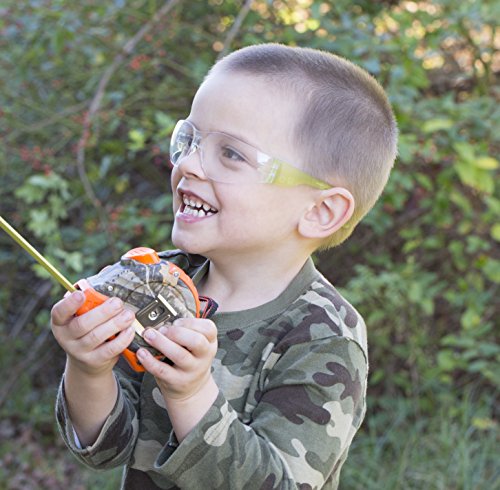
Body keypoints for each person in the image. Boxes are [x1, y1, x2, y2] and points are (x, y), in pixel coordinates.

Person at [51, 43, 397, 489]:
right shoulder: (157, 284)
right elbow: (106, 448)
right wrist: (88, 367)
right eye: (190, 140)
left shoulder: (324, 335)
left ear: (320, 211)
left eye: (232, 153)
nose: (188, 164)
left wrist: (192, 395)